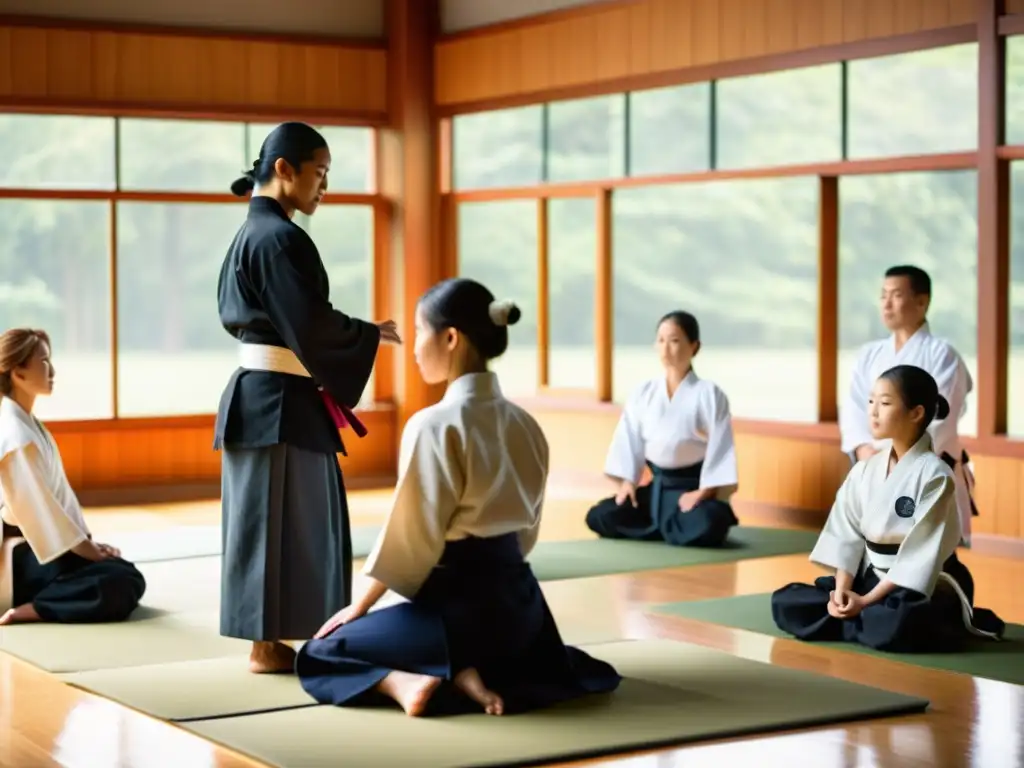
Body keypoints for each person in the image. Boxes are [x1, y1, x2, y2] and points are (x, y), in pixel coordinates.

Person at [295, 278, 622, 717]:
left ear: (450, 338)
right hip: (524, 613)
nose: (412, 348)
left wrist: (359, 606)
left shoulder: (434, 425)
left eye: (418, 332)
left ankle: (411, 682)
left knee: (321, 652)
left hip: (458, 616)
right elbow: (525, 536)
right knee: (517, 660)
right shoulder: (526, 424)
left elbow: (413, 541)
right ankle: (471, 674)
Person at [214, 122, 401, 674]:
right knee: (277, 522)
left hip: (268, 396)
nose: (325, 186)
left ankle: (276, 639)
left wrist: (359, 334)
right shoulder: (276, 238)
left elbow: (298, 323)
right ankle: (266, 643)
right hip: (275, 403)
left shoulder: (256, 234)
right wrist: (366, 335)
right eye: (319, 173)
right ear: (284, 170)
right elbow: (310, 324)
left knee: (278, 522)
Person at [772, 364, 1005, 653]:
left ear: (916, 413)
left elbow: (919, 559)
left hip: (921, 584)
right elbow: (846, 536)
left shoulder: (935, 475)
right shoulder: (865, 470)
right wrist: (843, 590)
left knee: (902, 619)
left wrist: (866, 601)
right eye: (871, 402)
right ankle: (859, 620)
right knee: (786, 601)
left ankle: (858, 619)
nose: (873, 411)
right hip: (871, 576)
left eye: (884, 403)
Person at [0, 328, 146, 626]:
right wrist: (88, 551)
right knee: (120, 581)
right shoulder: (16, 435)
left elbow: (57, 502)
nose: (52, 370)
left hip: (43, 548)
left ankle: (49, 600)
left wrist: (89, 546)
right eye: (43, 361)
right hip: (23, 559)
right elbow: (39, 513)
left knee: (124, 572)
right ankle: (35, 608)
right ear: (19, 373)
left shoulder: (26, 424)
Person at [839, 265, 976, 546]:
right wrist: (866, 454)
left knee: (931, 564)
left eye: (896, 295)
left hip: (925, 473)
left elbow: (939, 419)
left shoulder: (942, 355)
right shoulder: (870, 354)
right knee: (872, 557)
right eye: (883, 295)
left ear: (922, 301)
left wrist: (890, 462)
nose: (887, 303)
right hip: (872, 472)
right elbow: (854, 410)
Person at [585, 311, 739, 548]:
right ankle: (667, 527)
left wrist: (702, 493)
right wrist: (627, 483)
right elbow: (629, 441)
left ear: (694, 346)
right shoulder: (643, 393)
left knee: (711, 522)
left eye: (675, 341)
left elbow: (721, 449)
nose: (666, 349)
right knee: (600, 516)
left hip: (691, 491)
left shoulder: (710, 394)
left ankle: (665, 527)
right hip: (655, 493)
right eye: (661, 340)